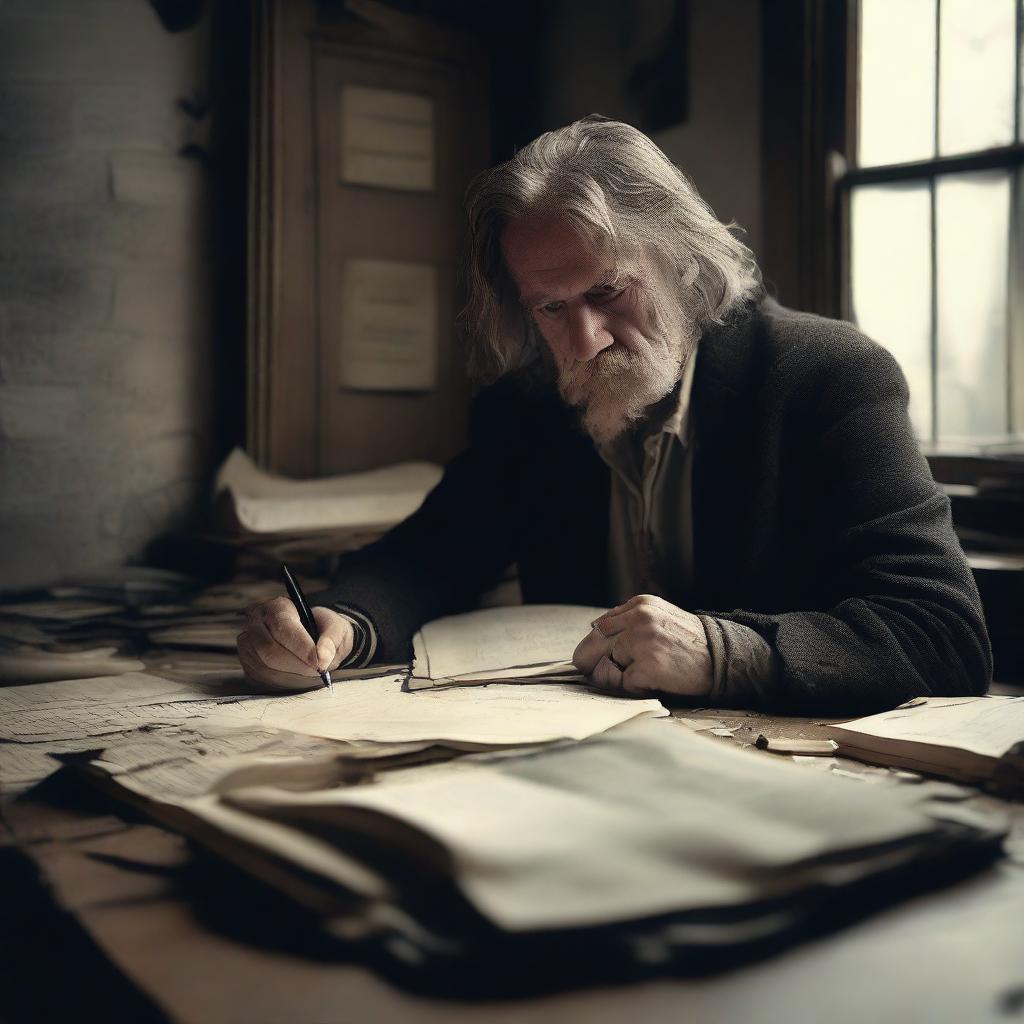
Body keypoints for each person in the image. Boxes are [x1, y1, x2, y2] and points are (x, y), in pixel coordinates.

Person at [236, 115, 990, 714]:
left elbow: (943, 633)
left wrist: (723, 651)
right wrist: (338, 626)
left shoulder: (829, 375)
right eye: (552, 307)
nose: (584, 339)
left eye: (607, 293)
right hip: (578, 753)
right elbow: (428, 556)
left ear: (683, 260)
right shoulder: (529, 405)